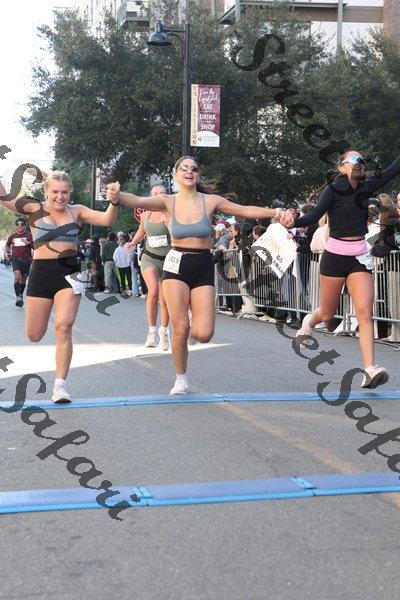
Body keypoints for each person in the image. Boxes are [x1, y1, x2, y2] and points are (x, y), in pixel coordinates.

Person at [107, 156, 284, 394]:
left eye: (193, 169)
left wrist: (275, 212)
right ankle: (181, 378)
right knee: (180, 328)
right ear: (176, 175)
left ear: (198, 175)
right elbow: (138, 200)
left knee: (204, 333)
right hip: (176, 264)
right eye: (184, 169)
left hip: (202, 265)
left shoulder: (210, 201)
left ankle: (191, 324)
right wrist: (117, 195)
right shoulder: (167, 201)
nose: (189, 172)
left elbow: (244, 209)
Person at [281, 150, 400, 389]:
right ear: (341, 167)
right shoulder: (333, 190)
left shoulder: (366, 187)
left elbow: (393, 170)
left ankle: (370, 369)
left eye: (361, 160)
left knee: (364, 313)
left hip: (359, 257)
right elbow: (314, 216)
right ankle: (309, 323)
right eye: (353, 160)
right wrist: (293, 222)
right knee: (327, 314)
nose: (358, 163)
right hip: (335, 256)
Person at [0, 170, 118, 402]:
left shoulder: (77, 211)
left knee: (64, 326)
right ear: (46, 191)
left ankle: (60, 386)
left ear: (70, 192)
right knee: (34, 334)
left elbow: (107, 220)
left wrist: (113, 202)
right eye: (55, 191)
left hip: (70, 272)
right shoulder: (34, 208)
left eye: (64, 192)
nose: (60, 197)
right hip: (41, 273)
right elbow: (6, 199)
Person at [124, 184, 171, 350]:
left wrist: (170, 224)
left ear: (167, 195)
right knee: (154, 292)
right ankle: (151, 331)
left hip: (168, 260)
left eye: (162, 193)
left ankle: (164, 331)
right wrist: (132, 242)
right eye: (155, 193)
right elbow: (142, 230)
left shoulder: (171, 213)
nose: (158, 195)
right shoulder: (146, 214)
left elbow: (179, 234)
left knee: (165, 299)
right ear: (150, 196)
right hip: (150, 258)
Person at [5, 217, 33, 307]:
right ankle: (18, 297)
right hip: (15, 259)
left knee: (23, 280)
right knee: (17, 277)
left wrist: (27, 242)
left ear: (25, 225)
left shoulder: (29, 235)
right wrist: (6, 253)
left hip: (26, 260)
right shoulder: (13, 236)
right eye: (17, 224)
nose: (19, 226)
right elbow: (7, 245)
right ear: (15, 226)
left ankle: (20, 295)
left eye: (22, 224)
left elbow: (35, 247)